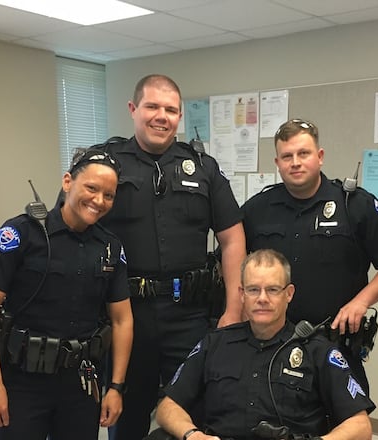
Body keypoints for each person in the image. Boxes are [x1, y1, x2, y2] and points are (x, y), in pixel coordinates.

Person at [98, 74, 246, 439]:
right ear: (133, 109)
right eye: (152, 106)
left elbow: (232, 238)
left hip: (189, 315)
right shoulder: (107, 164)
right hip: (127, 315)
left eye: (170, 109)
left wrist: (233, 309)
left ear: (180, 116)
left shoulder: (204, 168)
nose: (161, 116)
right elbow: (77, 230)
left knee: (194, 412)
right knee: (127, 415)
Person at [0, 149, 133, 440]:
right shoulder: (22, 233)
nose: (99, 201)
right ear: (68, 181)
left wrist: (115, 387)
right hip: (23, 381)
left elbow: (122, 320)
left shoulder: (110, 247)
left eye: (108, 195)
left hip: (81, 382)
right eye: (92, 188)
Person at [241, 118, 378, 391]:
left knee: (347, 415)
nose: (295, 162)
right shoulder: (257, 209)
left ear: (320, 156)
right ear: (277, 163)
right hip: (271, 346)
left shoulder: (354, 205)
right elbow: (232, 261)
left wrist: (361, 302)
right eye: (287, 156)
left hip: (336, 346)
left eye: (303, 153)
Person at [154, 249, 374, 440]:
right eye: (253, 289)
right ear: (242, 294)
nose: (262, 298)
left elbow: (360, 426)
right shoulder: (215, 343)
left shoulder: (317, 351)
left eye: (272, 290)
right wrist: (192, 434)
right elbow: (167, 407)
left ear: (289, 294)